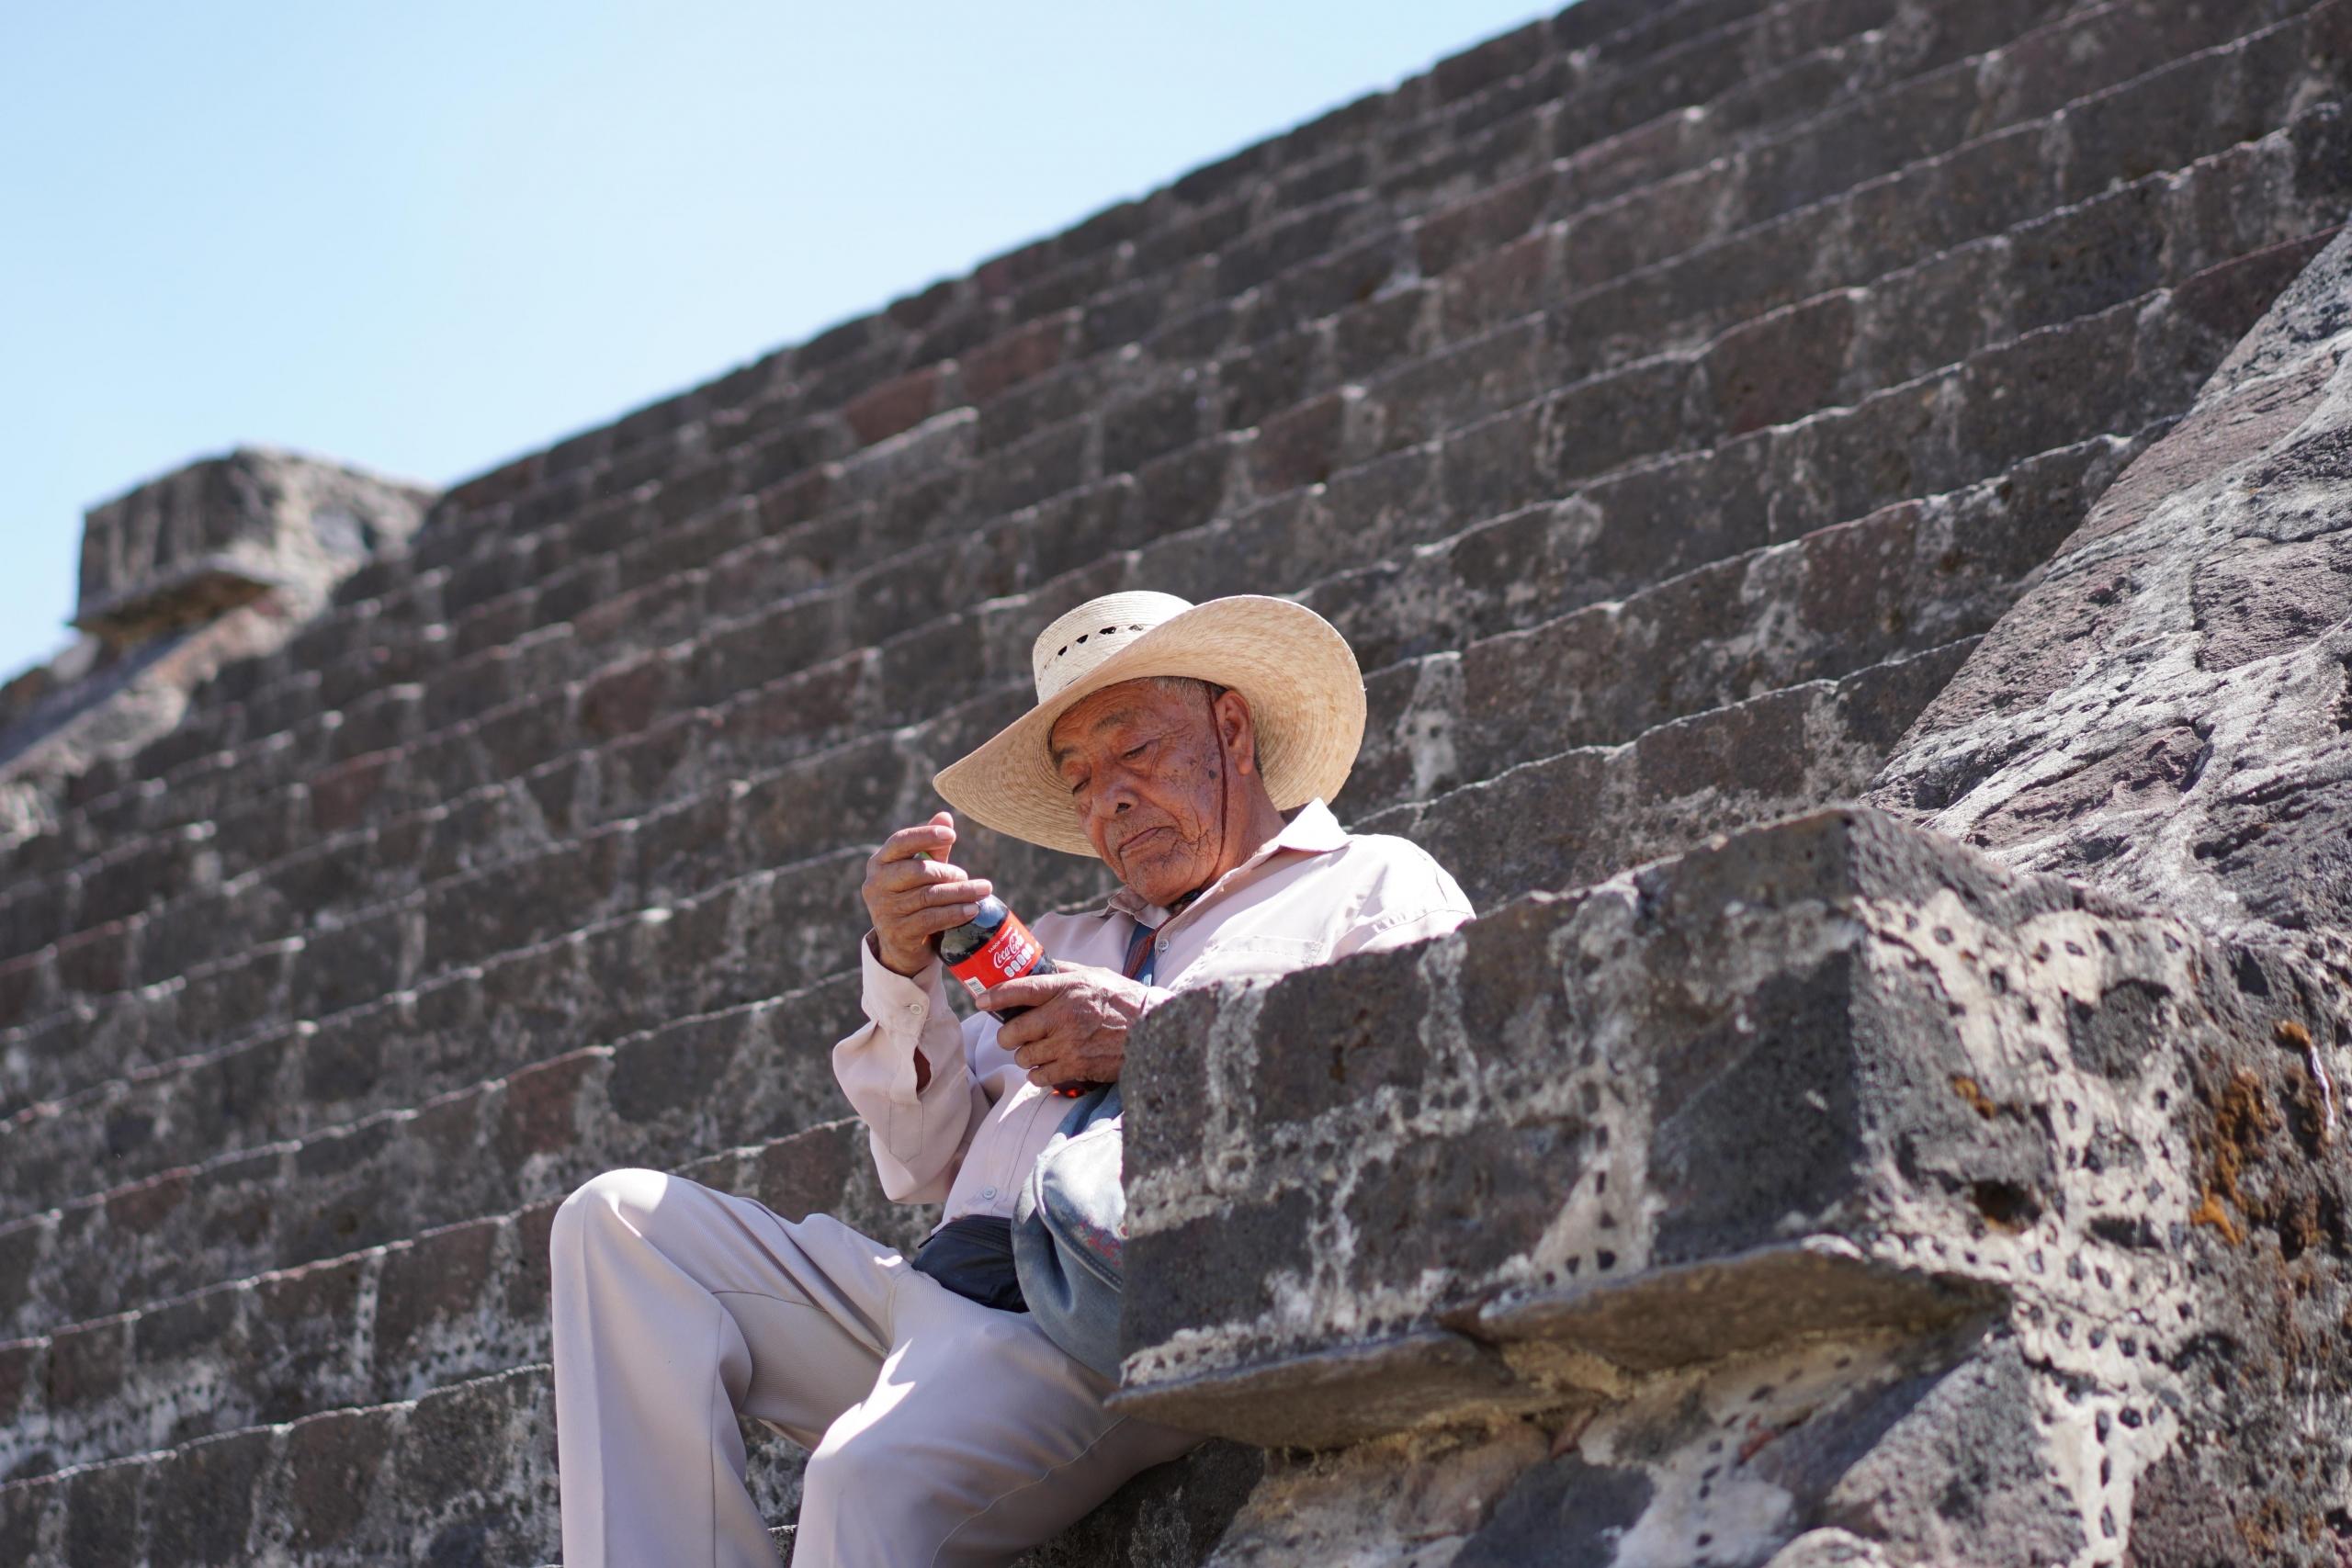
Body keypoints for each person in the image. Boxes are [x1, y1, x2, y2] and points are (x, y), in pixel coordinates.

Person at [549, 591, 1476, 1566]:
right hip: (936, 1300)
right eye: (1077, 778)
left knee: (863, 1478)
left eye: (1134, 752)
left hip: (1110, 1311)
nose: (1105, 799)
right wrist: (904, 975)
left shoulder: (1371, 882)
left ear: (1231, 728)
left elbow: (1422, 1073)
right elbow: (917, 1162)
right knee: (619, 1222)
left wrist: (1158, 1040)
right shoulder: (1066, 940)